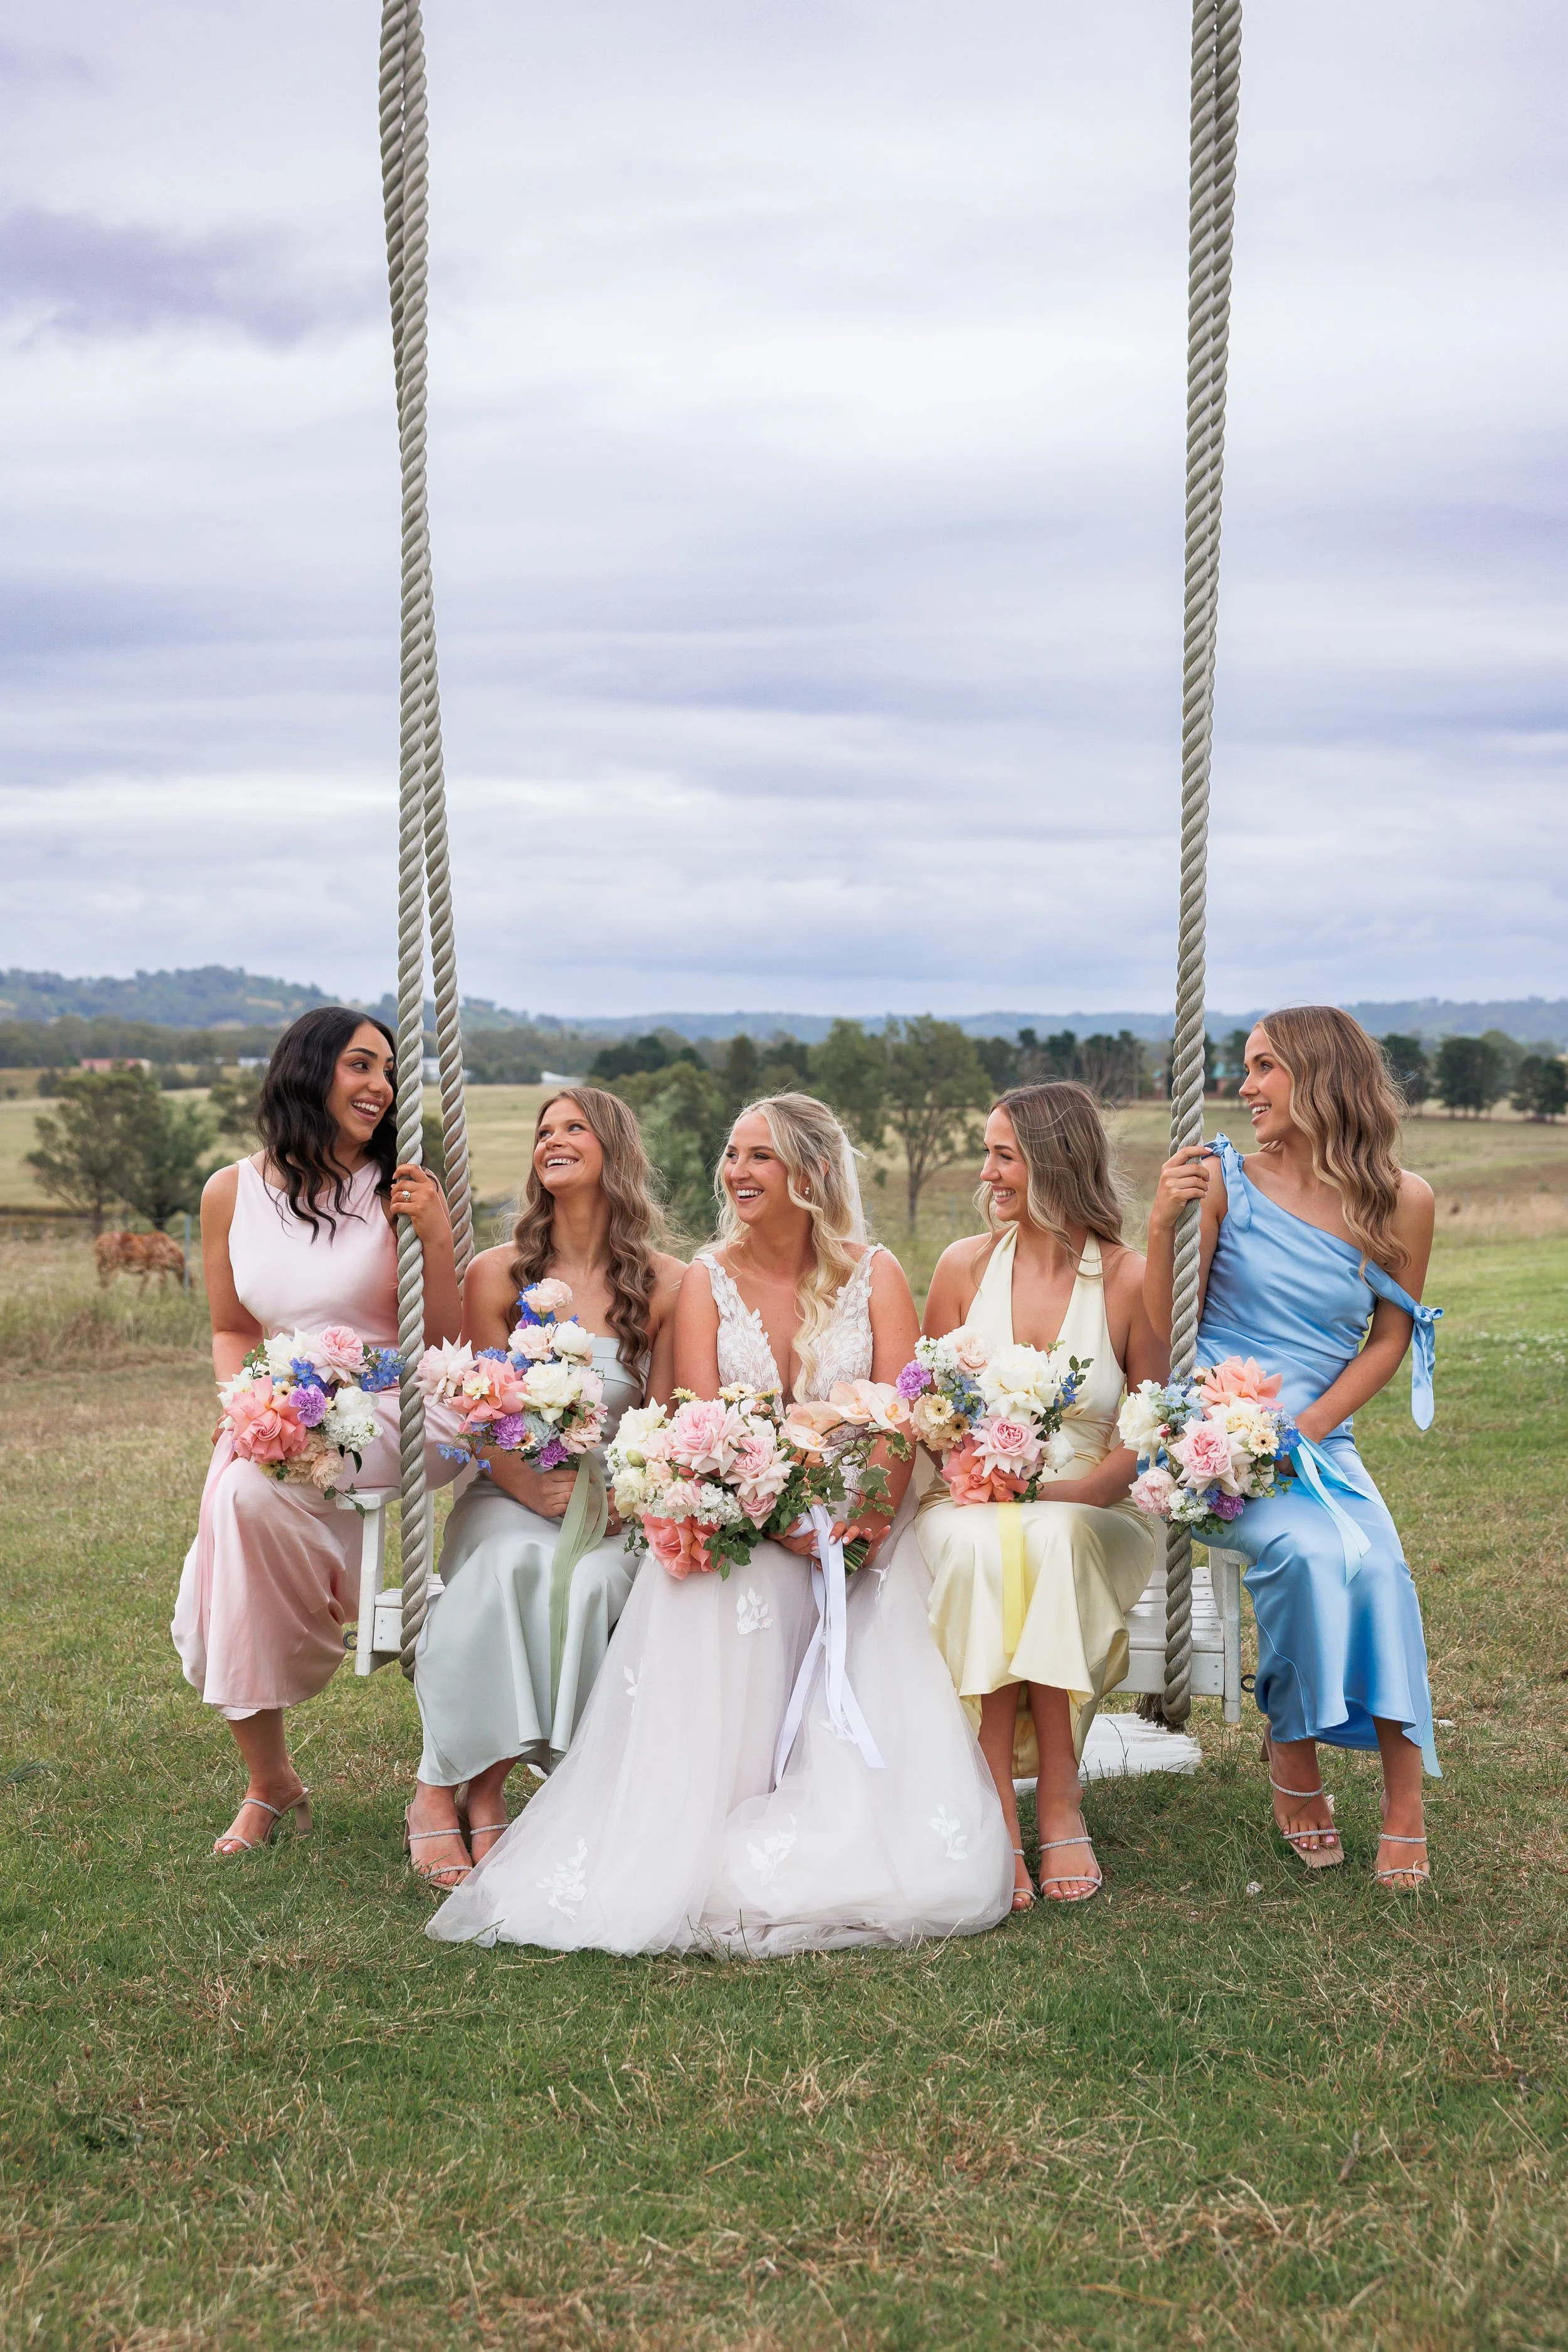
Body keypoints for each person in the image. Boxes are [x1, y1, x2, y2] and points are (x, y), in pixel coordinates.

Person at [426, 1093, 1014, 1954]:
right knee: (704, 1585)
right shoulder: (707, 1278)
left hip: (860, 1528)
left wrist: (867, 1521)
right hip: (748, 1515)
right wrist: (776, 1519)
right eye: (733, 1155)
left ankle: (851, 1818)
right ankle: (699, 1817)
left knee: (877, 1597)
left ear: (809, 1172)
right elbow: (699, 1424)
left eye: (759, 1157)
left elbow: (900, 1417)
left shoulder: (876, 1271)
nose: (736, 1170)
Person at [1146, 1006, 1441, 1892]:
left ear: (1319, 1075)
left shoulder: (1402, 1200)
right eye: (1246, 1066)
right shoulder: (1225, 1180)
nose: (1245, 1087)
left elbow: (1389, 1338)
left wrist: (1307, 1431)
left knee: (1381, 1570)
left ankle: (1403, 1805)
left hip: (1318, 1437)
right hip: (1218, 1437)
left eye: (1264, 1066)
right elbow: (1162, 1334)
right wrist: (1161, 1226)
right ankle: (1294, 1744)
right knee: (1310, 1554)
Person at [174, 1009, 460, 1857]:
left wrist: (437, 1235)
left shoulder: (401, 1186)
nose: (379, 1084)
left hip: (395, 1406)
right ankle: (271, 1781)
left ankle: (332, 1599)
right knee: (235, 1499)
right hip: (285, 1406)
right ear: (309, 1071)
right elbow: (231, 1323)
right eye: (358, 1065)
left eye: (386, 1070)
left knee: (254, 1493)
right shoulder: (231, 1190)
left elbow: (442, 1340)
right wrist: (244, 1403)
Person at [404, 1088, 684, 1890]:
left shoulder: (665, 1283)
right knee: (508, 1566)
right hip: (509, 1491)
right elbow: (478, 1404)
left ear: (615, 1153)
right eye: (542, 1131)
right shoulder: (499, 1273)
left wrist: (615, 1501)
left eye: (573, 1128)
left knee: (596, 1580)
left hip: (616, 1503)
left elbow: (660, 1422)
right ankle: (444, 1786)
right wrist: (522, 1482)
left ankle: (550, 1793)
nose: (551, 1140)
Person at [908, 1084, 1164, 1909]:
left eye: (1003, 1154)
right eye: (987, 1152)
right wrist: (978, 1473)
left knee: (1048, 1537)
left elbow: (1145, 1430)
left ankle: (1055, 1795)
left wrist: (1063, 1486)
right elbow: (928, 1410)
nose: (987, 1173)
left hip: (1094, 1505)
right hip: (971, 1502)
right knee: (995, 1545)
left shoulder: (1126, 1278)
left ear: (1054, 1162)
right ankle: (1003, 1809)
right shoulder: (962, 1267)